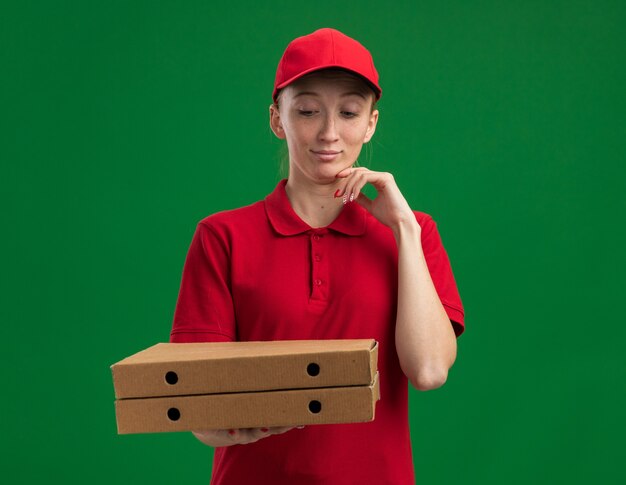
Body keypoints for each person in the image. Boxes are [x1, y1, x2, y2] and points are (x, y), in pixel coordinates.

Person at [170, 27, 465, 485]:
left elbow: (427, 371)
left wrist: (404, 228)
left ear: (371, 124)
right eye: (307, 110)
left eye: (349, 112)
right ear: (277, 119)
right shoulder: (221, 236)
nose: (329, 133)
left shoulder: (416, 232)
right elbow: (197, 410)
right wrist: (241, 422)